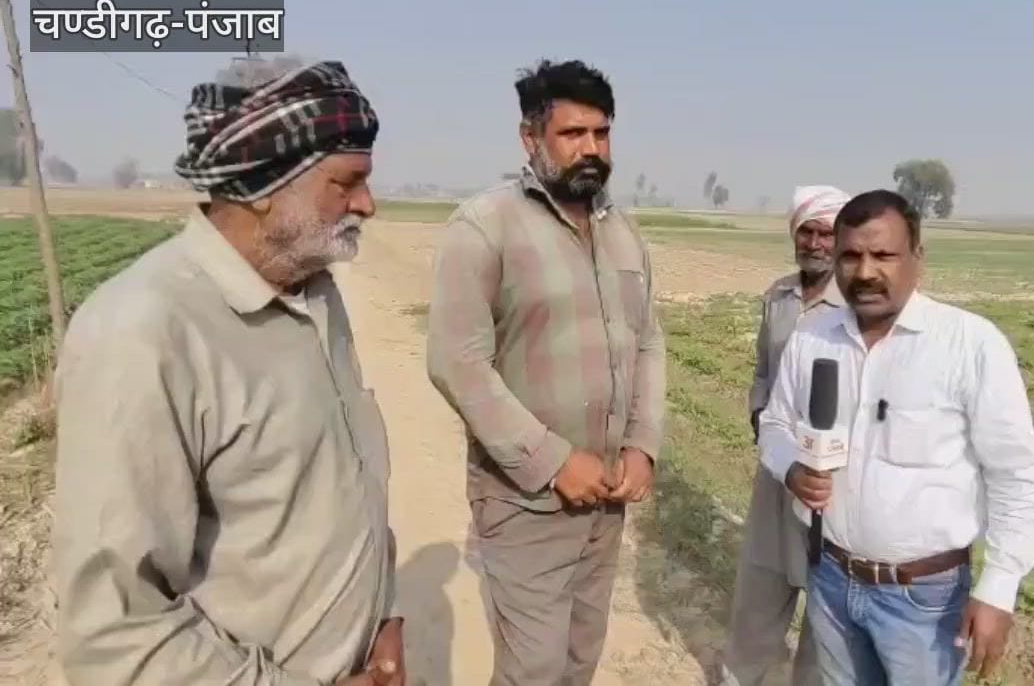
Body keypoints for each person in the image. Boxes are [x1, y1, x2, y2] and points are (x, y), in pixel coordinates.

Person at [52, 61, 405, 686]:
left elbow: (345, 484)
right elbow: (115, 635)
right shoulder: (144, 332)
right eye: (347, 182)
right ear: (264, 184)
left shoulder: (314, 291)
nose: (367, 205)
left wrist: (386, 616)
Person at [426, 59, 665, 686]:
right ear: (531, 139)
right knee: (532, 669)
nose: (591, 149)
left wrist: (642, 445)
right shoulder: (485, 226)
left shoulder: (625, 235)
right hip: (525, 500)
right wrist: (556, 461)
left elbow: (648, 346)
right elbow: (458, 362)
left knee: (580, 660)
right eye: (572, 134)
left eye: (601, 133)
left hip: (607, 501)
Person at [757, 189, 1034, 684]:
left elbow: (1016, 476)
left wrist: (999, 588)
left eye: (884, 255)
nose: (866, 271)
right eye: (850, 256)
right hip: (830, 580)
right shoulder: (813, 338)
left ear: (918, 259)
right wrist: (791, 469)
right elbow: (775, 425)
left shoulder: (970, 345)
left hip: (924, 601)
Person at [719, 185, 849, 686]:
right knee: (762, 576)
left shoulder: (852, 307)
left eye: (826, 234)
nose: (815, 243)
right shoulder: (778, 296)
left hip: (829, 478)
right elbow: (762, 373)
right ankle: (740, 674)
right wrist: (759, 417)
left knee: (826, 591)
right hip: (776, 466)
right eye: (807, 232)